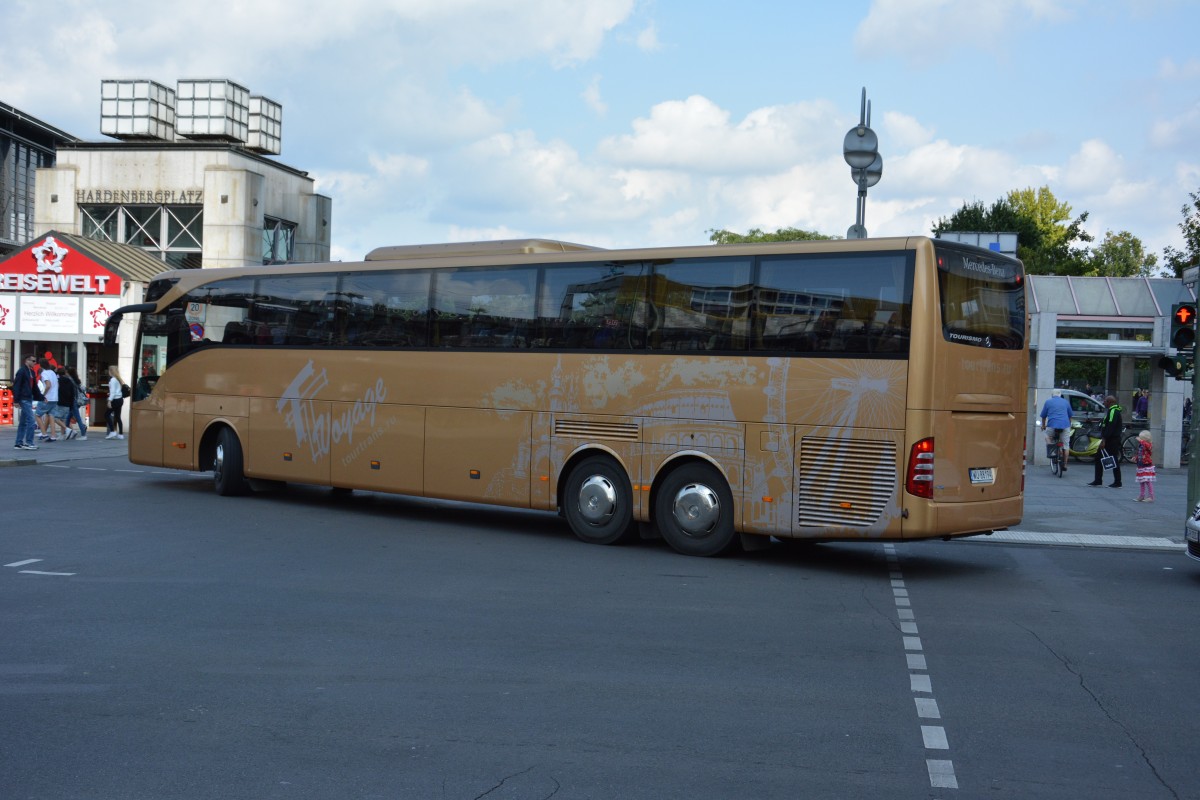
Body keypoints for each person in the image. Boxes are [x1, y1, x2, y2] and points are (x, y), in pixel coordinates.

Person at [1089, 395, 1124, 488]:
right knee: (1099, 458)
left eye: (1105, 401)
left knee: (1113, 459)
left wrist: (1104, 439)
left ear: (1110, 402)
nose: (1104, 403)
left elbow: (1110, 426)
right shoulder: (1113, 410)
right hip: (1110, 439)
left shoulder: (1113, 411)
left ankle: (1117, 482)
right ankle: (1098, 480)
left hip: (1111, 440)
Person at [11, 354, 44, 450]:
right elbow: (16, 386)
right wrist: (16, 400)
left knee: (23, 422)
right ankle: (29, 442)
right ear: (27, 361)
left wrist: (41, 397)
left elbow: (34, 387)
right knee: (31, 420)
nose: (35, 363)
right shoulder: (22, 371)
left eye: (35, 361)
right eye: (33, 361)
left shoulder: (32, 372)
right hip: (23, 399)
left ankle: (18, 443)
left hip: (28, 398)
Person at [1039, 389, 1073, 470]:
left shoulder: (1048, 402)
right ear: (1060, 395)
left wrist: (1043, 425)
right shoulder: (1066, 402)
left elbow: (1043, 416)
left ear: (1052, 395)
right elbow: (1070, 415)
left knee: (1047, 435)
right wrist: (1069, 424)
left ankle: (1052, 449)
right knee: (1066, 445)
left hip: (1052, 425)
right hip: (1065, 425)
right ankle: (1065, 464)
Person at [35, 357, 64, 442]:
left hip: (47, 398)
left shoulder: (44, 374)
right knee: (51, 416)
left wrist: (43, 395)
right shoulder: (53, 372)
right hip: (55, 398)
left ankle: (44, 434)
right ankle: (53, 435)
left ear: (40, 365)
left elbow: (48, 385)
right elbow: (57, 385)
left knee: (37, 415)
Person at [63, 366, 88, 440]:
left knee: (78, 418)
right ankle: (67, 432)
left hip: (73, 401)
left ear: (68, 372)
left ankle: (83, 435)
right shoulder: (76, 380)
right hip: (76, 401)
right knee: (68, 417)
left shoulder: (70, 380)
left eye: (66, 372)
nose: (65, 373)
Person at [1134, 430, 1156, 502]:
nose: (1140, 440)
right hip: (1141, 465)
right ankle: (1142, 495)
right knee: (1142, 481)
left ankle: (1151, 496)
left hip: (1146, 465)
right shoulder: (1142, 445)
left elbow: (1147, 447)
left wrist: (1141, 441)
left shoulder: (1148, 444)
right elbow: (1140, 453)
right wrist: (1136, 457)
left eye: (1141, 438)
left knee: (1147, 481)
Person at [105, 365, 125, 440]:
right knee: (118, 417)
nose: (108, 372)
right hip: (120, 399)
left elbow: (113, 392)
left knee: (106, 415)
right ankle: (120, 434)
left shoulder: (113, 380)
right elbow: (116, 391)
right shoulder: (118, 379)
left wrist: (109, 401)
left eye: (109, 371)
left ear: (111, 371)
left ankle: (112, 431)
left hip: (115, 400)